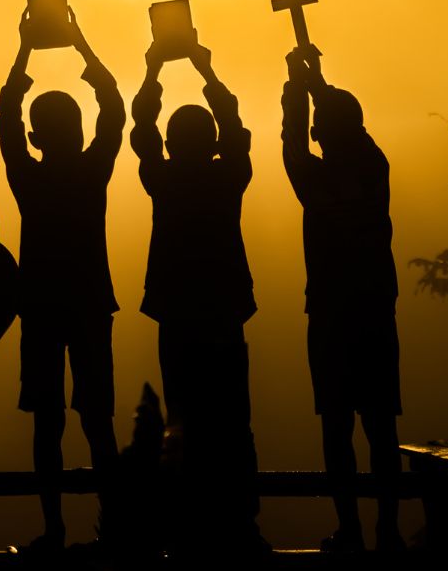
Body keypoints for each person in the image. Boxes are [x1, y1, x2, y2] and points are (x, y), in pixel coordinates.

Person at [130, 39, 267, 555]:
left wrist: (153, 71)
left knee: (182, 415)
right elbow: (233, 129)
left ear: (170, 143)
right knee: (234, 419)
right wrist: (205, 68)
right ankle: (241, 521)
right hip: (225, 312)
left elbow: (140, 133)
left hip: (178, 315)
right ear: (211, 143)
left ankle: (186, 522)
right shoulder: (227, 176)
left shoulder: (162, 179)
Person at [0, 5, 123, 551]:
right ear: (77, 130)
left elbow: (5, 118)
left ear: (35, 134)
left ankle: (53, 528)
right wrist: (80, 45)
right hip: (89, 303)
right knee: (98, 421)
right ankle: (113, 527)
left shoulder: (27, 177)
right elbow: (114, 110)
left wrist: (26, 48)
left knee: (47, 423)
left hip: (43, 307)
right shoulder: (93, 171)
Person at [281, 45, 403, 552]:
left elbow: (291, 144)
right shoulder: (376, 170)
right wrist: (317, 83)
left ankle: (350, 527)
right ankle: (388, 529)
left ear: (318, 135)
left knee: (337, 425)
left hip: (331, 314)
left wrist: (296, 89)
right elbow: (353, 133)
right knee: (380, 427)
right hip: (374, 309)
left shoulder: (311, 180)